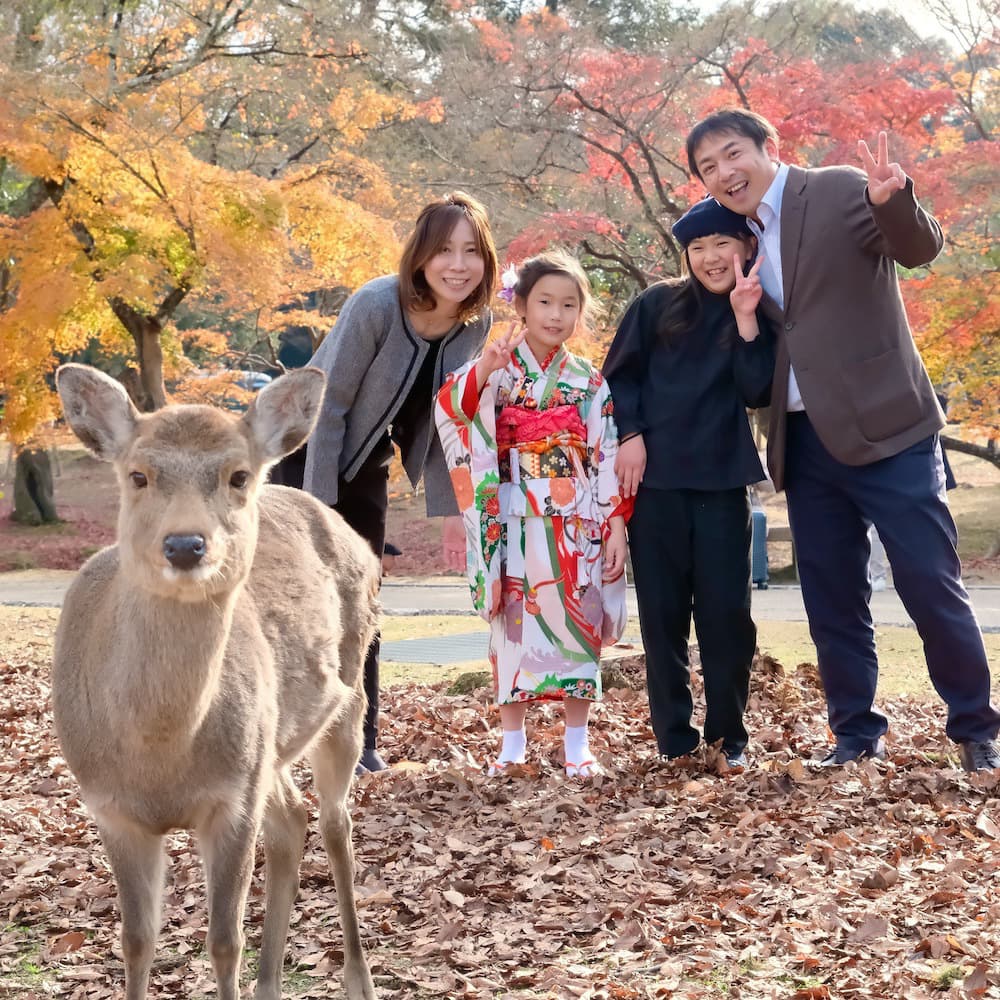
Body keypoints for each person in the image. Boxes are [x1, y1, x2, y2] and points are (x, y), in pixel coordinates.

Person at [684, 108, 1000, 771]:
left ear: (767, 147)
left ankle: (977, 731)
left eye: (731, 154)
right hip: (802, 441)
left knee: (929, 582)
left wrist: (896, 201)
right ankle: (856, 733)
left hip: (889, 429)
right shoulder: (740, 235)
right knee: (832, 598)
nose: (723, 173)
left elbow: (918, 249)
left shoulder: (832, 188)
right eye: (707, 168)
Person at [301, 191, 498, 772]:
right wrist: (317, 509)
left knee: (361, 599)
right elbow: (327, 403)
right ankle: (286, 729)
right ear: (420, 256)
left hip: (367, 466)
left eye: (471, 251)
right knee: (296, 596)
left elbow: (449, 410)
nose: (457, 265)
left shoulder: (474, 322)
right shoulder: (376, 305)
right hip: (303, 454)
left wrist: (459, 503)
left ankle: (360, 742)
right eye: (443, 250)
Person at [435, 251, 629, 778]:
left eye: (569, 305)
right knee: (511, 629)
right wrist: (484, 369)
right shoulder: (497, 367)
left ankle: (576, 743)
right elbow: (453, 411)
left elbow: (605, 454)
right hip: (512, 520)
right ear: (520, 304)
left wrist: (614, 527)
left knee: (578, 626)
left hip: (576, 522)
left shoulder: (589, 382)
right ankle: (512, 743)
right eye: (544, 301)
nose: (556, 314)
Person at [603, 198, 775, 769]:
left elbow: (758, 393)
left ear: (746, 247)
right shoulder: (656, 304)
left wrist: (747, 320)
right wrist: (631, 434)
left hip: (723, 485)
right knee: (663, 618)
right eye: (697, 248)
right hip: (655, 487)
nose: (710, 257)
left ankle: (729, 737)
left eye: (722, 243)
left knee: (728, 619)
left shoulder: (757, 308)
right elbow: (618, 380)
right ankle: (674, 740)